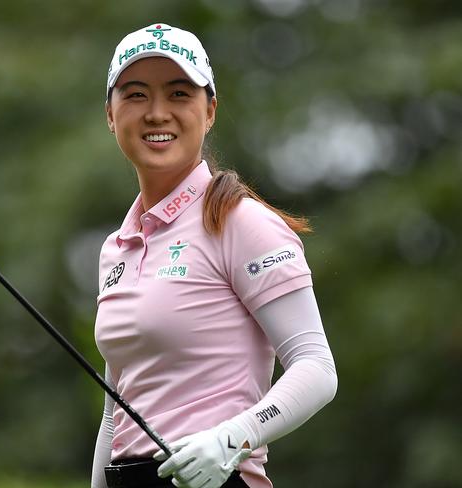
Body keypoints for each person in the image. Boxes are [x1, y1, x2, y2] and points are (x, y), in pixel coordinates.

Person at [91, 23, 337, 488]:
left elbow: (316, 368)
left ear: (209, 111)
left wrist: (230, 439)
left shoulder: (239, 221)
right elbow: (114, 413)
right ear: (110, 114)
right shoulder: (116, 248)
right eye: (137, 95)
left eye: (179, 93)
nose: (157, 113)